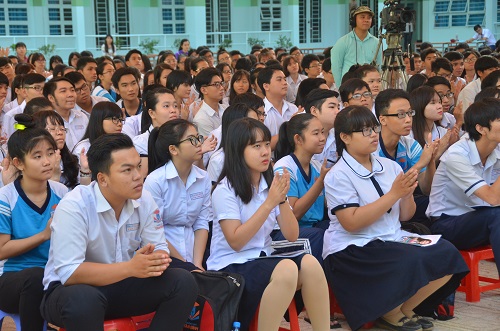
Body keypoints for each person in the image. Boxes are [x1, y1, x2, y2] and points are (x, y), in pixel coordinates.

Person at [323, 105, 468, 331]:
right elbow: (351, 223)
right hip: (354, 246)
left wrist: (407, 194)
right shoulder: (337, 175)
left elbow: (405, 215)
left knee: (446, 252)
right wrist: (394, 195)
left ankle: (405, 309)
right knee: (410, 259)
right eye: (364, 131)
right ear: (345, 137)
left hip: (391, 237)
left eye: (374, 128)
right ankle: (389, 312)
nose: (373, 135)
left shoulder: (389, 166)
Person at [40, 133, 198, 330]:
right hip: (70, 291)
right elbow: (70, 273)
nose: (138, 176)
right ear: (102, 179)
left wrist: (154, 260)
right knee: (84, 299)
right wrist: (131, 268)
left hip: (122, 284)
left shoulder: (144, 199)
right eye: (127, 170)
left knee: (183, 281)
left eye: (139, 167)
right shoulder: (74, 205)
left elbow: (159, 248)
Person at [207, 118, 330, 330]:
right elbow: (236, 241)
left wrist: (281, 199)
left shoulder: (268, 184)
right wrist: (269, 203)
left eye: (266, 144)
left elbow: (292, 235)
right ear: (238, 150)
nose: (265, 152)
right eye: (256, 146)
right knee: (286, 268)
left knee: (310, 264)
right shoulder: (225, 190)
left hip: (261, 257)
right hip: (231, 264)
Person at [0, 114, 68, 331]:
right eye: (37, 156)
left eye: (50, 153)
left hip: (54, 276)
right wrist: (43, 235)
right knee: (36, 277)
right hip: (12, 280)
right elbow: (1, 250)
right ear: (18, 163)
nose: (47, 161)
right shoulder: (6, 198)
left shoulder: (62, 192)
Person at [427, 97, 500, 276]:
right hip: (447, 224)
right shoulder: (457, 155)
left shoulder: (496, 149)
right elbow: (493, 198)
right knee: (497, 215)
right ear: (481, 128)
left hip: (480, 217)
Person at [144, 119, 211, 271]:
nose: (199, 143)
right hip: (164, 252)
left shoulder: (203, 178)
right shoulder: (155, 181)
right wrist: (185, 265)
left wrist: (197, 263)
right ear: (173, 149)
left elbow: (201, 222)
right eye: (192, 140)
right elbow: (155, 230)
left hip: (194, 249)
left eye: (198, 138)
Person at [33, 110, 87, 189]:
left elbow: (83, 193)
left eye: (62, 129)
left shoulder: (70, 160)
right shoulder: (34, 163)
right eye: (52, 128)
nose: (60, 133)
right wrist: (54, 176)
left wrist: (85, 170)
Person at [331, 6, 381, 85]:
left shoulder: (377, 42)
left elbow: (380, 67)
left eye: (369, 18)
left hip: (370, 86)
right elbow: (336, 68)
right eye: (362, 17)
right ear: (354, 20)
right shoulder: (342, 42)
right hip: (349, 86)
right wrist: (341, 88)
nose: (366, 20)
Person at [409, 86, 458, 159]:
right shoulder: (408, 136)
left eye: (439, 102)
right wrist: (440, 150)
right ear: (419, 106)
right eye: (433, 103)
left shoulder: (444, 133)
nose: (439, 106)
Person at [258, 67, 298, 149]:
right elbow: (263, 146)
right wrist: (290, 126)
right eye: (279, 80)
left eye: (285, 79)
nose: (284, 83)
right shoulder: (260, 112)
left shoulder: (293, 108)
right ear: (266, 86)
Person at [304, 88, 341, 167]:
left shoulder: (340, 136)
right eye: (332, 107)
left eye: (338, 107)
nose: (337, 112)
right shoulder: (302, 138)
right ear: (314, 111)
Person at [193, 68, 226, 137]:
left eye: (221, 83)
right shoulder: (201, 119)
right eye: (216, 84)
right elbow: (213, 145)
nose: (222, 88)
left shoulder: (225, 108)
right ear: (204, 90)